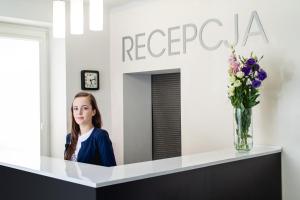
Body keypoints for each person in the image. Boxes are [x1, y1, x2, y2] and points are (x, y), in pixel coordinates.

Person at [64, 92, 116, 167]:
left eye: (85, 108)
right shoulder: (69, 137)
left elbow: (111, 169)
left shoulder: (100, 136)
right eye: (75, 108)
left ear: (93, 112)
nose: (79, 112)